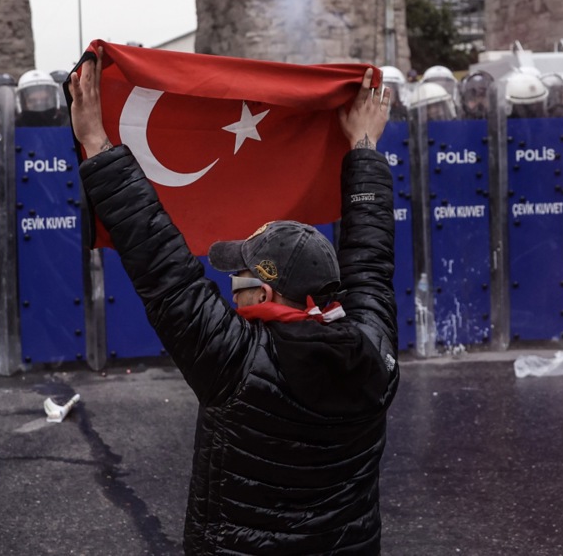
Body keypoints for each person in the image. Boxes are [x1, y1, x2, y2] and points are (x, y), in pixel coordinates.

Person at [70, 51, 399, 554]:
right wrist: (364, 144)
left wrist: (95, 139)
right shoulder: (375, 355)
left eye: (239, 274)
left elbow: (164, 269)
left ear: (265, 293)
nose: (230, 285)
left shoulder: (237, 363)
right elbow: (371, 260)